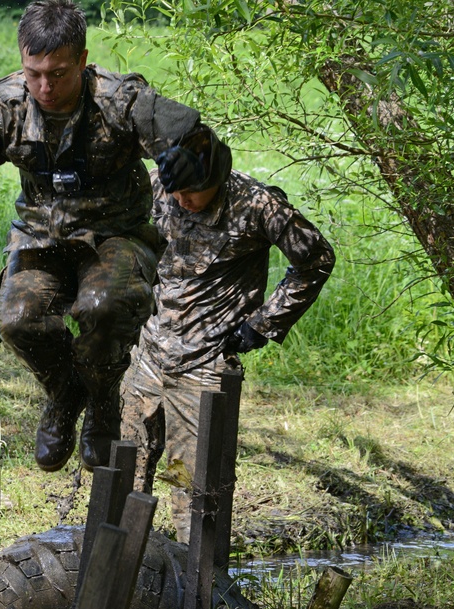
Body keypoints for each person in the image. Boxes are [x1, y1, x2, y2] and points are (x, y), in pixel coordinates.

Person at [0, 0, 228, 472]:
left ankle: (102, 402)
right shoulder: (7, 103)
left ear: (82, 60)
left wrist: (194, 160)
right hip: (41, 239)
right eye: (33, 72)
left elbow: (201, 141)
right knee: (16, 317)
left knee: (103, 307)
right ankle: (65, 393)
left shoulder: (121, 100)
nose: (44, 86)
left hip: (116, 235)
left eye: (57, 73)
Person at [119, 136, 336, 541]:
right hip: (147, 356)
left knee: (195, 494)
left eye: (192, 191)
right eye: (175, 190)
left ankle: (202, 596)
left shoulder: (257, 205)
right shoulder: (155, 186)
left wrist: (263, 323)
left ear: (217, 179)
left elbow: (316, 258)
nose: (181, 198)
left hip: (205, 368)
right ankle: (126, 581)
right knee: (125, 478)